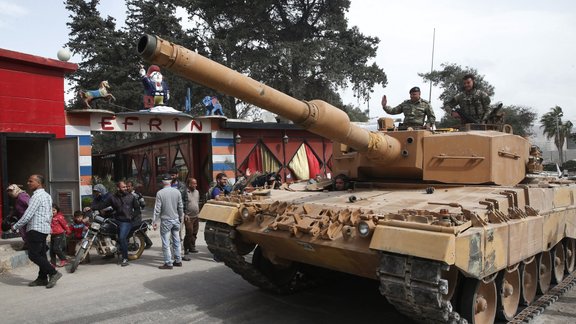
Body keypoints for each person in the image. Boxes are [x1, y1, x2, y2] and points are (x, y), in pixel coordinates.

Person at [11, 174, 62, 288]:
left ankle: (53, 273)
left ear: (39, 183)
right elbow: (49, 214)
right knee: (41, 255)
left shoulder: (36, 197)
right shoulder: (47, 195)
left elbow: (28, 215)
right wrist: (47, 226)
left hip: (36, 229)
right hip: (43, 229)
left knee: (33, 255)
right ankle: (42, 278)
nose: (28, 183)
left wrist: (15, 226)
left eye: (31, 181)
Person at [101, 181, 141, 267]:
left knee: (122, 238)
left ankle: (125, 258)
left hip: (126, 221)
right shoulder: (113, 197)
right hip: (116, 220)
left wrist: (131, 216)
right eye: (123, 187)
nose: (126, 188)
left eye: (126, 187)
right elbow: (103, 205)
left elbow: (138, 210)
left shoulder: (131, 197)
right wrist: (91, 207)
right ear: (118, 188)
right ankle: (110, 252)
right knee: (104, 230)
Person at [153, 175, 184, 269]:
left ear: (163, 182)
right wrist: (180, 217)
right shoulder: (177, 191)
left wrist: (154, 221)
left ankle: (168, 262)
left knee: (166, 242)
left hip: (166, 220)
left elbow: (157, 209)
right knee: (177, 241)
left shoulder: (160, 193)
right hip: (175, 219)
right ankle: (178, 260)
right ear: (170, 182)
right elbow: (180, 206)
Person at [126, 181, 153, 249]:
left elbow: (143, 204)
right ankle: (127, 244)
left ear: (132, 187)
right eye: (127, 186)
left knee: (138, 229)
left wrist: (136, 209)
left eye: (129, 186)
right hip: (128, 216)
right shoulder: (125, 194)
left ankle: (148, 242)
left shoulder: (137, 194)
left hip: (136, 215)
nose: (128, 188)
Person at [5, 184, 30, 249]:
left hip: (26, 218)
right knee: (23, 232)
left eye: (11, 192)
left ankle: (29, 245)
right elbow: (17, 209)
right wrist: (11, 214)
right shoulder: (18, 197)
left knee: (26, 232)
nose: (11, 195)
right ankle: (27, 244)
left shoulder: (22, 196)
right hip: (22, 218)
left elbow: (30, 205)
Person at [183, 177, 200, 254]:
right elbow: (182, 204)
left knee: (194, 233)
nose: (196, 185)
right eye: (194, 183)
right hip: (188, 217)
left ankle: (192, 247)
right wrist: (185, 214)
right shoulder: (185, 192)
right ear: (189, 184)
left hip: (196, 216)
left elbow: (197, 202)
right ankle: (186, 248)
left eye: (196, 183)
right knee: (189, 232)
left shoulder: (197, 192)